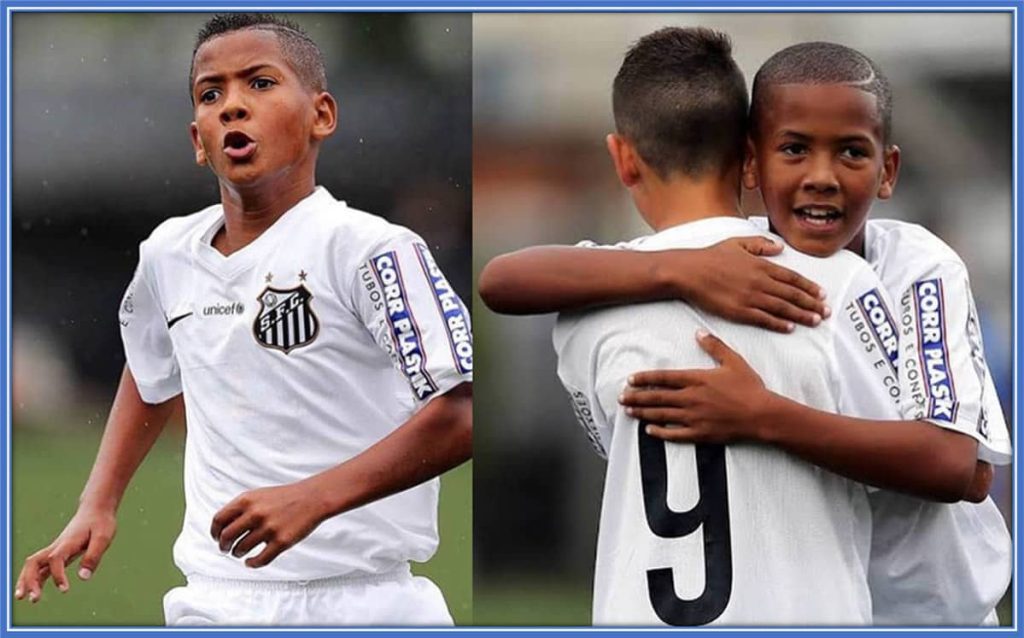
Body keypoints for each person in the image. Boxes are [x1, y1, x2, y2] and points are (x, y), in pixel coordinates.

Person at [480, 40, 1011, 625]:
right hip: (839, 598)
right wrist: (684, 270)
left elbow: (960, 468)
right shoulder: (741, 262)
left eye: (851, 153)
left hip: (937, 612)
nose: (821, 177)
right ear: (751, 162)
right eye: (795, 149)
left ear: (887, 171)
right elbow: (503, 279)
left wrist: (762, 414)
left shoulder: (911, 267)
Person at [15, 13, 472, 626]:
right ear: (198, 141)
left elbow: (460, 412)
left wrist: (314, 498)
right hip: (216, 598)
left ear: (322, 116)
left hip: (366, 600)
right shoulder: (167, 255)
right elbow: (152, 372)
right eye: (212, 93)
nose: (232, 106)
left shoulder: (372, 250)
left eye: (260, 83)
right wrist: (98, 502)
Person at [534, 26, 904, 625]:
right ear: (748, 156)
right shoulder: (839, 283)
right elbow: (904, 465)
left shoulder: (585, 310)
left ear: (622, 157)